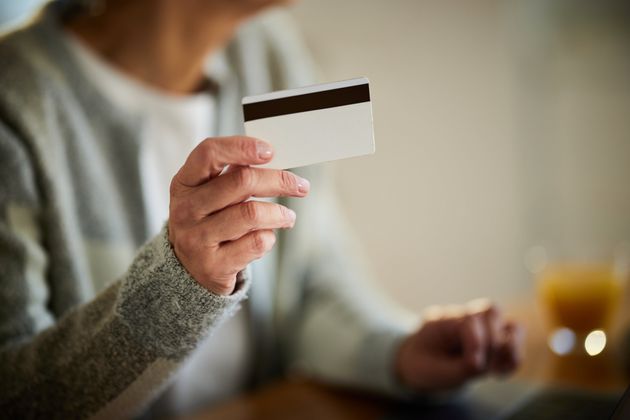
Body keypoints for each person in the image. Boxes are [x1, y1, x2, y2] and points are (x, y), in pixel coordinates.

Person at [0, 0, 522, 418]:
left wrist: (397, 353)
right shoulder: (16, 102)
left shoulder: (270, 56)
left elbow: (311, 280)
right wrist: (180, 283)